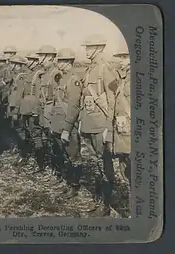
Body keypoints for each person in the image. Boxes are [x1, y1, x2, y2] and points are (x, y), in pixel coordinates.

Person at [61, 34, 119, 216]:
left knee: (104, 164)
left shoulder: (105, 69)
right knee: (96, 164)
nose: (86, 50)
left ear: (99, 48)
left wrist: (109, 129)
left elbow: (113, 101)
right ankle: (100, 200)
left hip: (100, 126)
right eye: (86, 47)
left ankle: (106, 206)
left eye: (89, 47)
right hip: (89, 125)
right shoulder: (89, 70)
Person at [49, 48, 82, 198]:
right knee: (63, 154)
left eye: (62, 60)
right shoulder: (62, 78)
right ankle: (67, 181)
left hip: (68, 125)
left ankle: (74, 186)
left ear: (69, 62)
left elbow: (74, 107)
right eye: (59, 60)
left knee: (73, 156)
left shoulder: (73, 79)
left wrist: (67, 129)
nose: (59, 63)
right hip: (58, 123)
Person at [13, 49, 45, 168]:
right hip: (25, 108)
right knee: (26, 132)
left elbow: (39, 94)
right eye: (29, 60)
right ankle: (25, 156)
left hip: (33, 110)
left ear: (36, 62)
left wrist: (36, 111)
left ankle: (40, 163)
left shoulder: (39, 75)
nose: (28, 62)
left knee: (36, 133)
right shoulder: (27, 74)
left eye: (32, 60)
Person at [112, 45, 131, 187]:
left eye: (125, 57)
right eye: (120, 57)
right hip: (122, 125)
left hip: (131, 125)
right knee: (123, 158)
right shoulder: (121, 76)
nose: (121, 61)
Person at [6, 54, 30, 154]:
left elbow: (19, 95)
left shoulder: (21, 77)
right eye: (11, 64)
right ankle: (18, 147)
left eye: (14, 64)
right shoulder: (15, 76)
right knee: (14, 127)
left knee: (20, 128)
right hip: (12, 105)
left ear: (19, 66)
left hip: (18, 107)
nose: (12, 66)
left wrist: (16, 111)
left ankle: (24, 150)